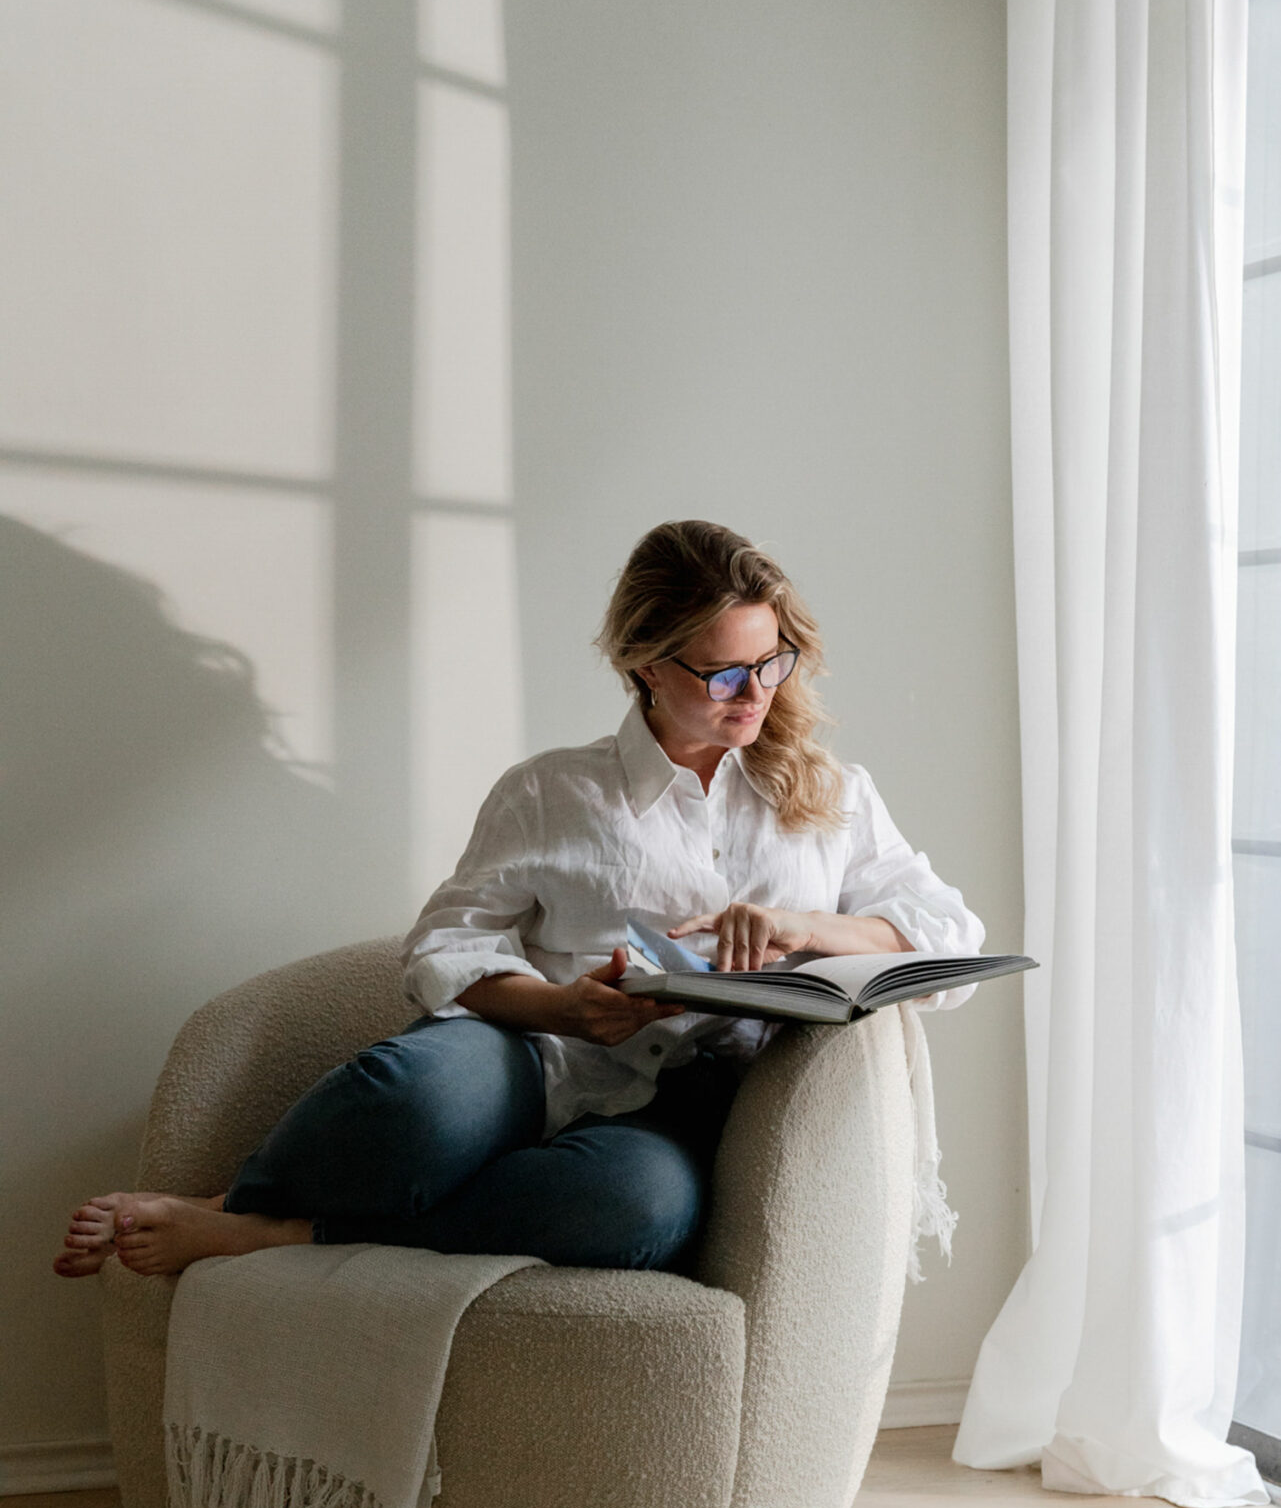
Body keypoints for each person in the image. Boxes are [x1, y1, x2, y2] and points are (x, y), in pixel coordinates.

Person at [55, 520, 983, 1281]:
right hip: (530, 1054)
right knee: (411, 1099)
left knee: (631, 1213)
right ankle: (238, 1201)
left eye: (770, 662)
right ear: (646, 666)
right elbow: (443, 944)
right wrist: (563, 1007)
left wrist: (803, 927)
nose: (754, 694)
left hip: (675, 1113)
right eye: (721, 672)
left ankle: (276, 1234)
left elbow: (949, 935)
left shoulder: (832, 794)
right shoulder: (551, 790)